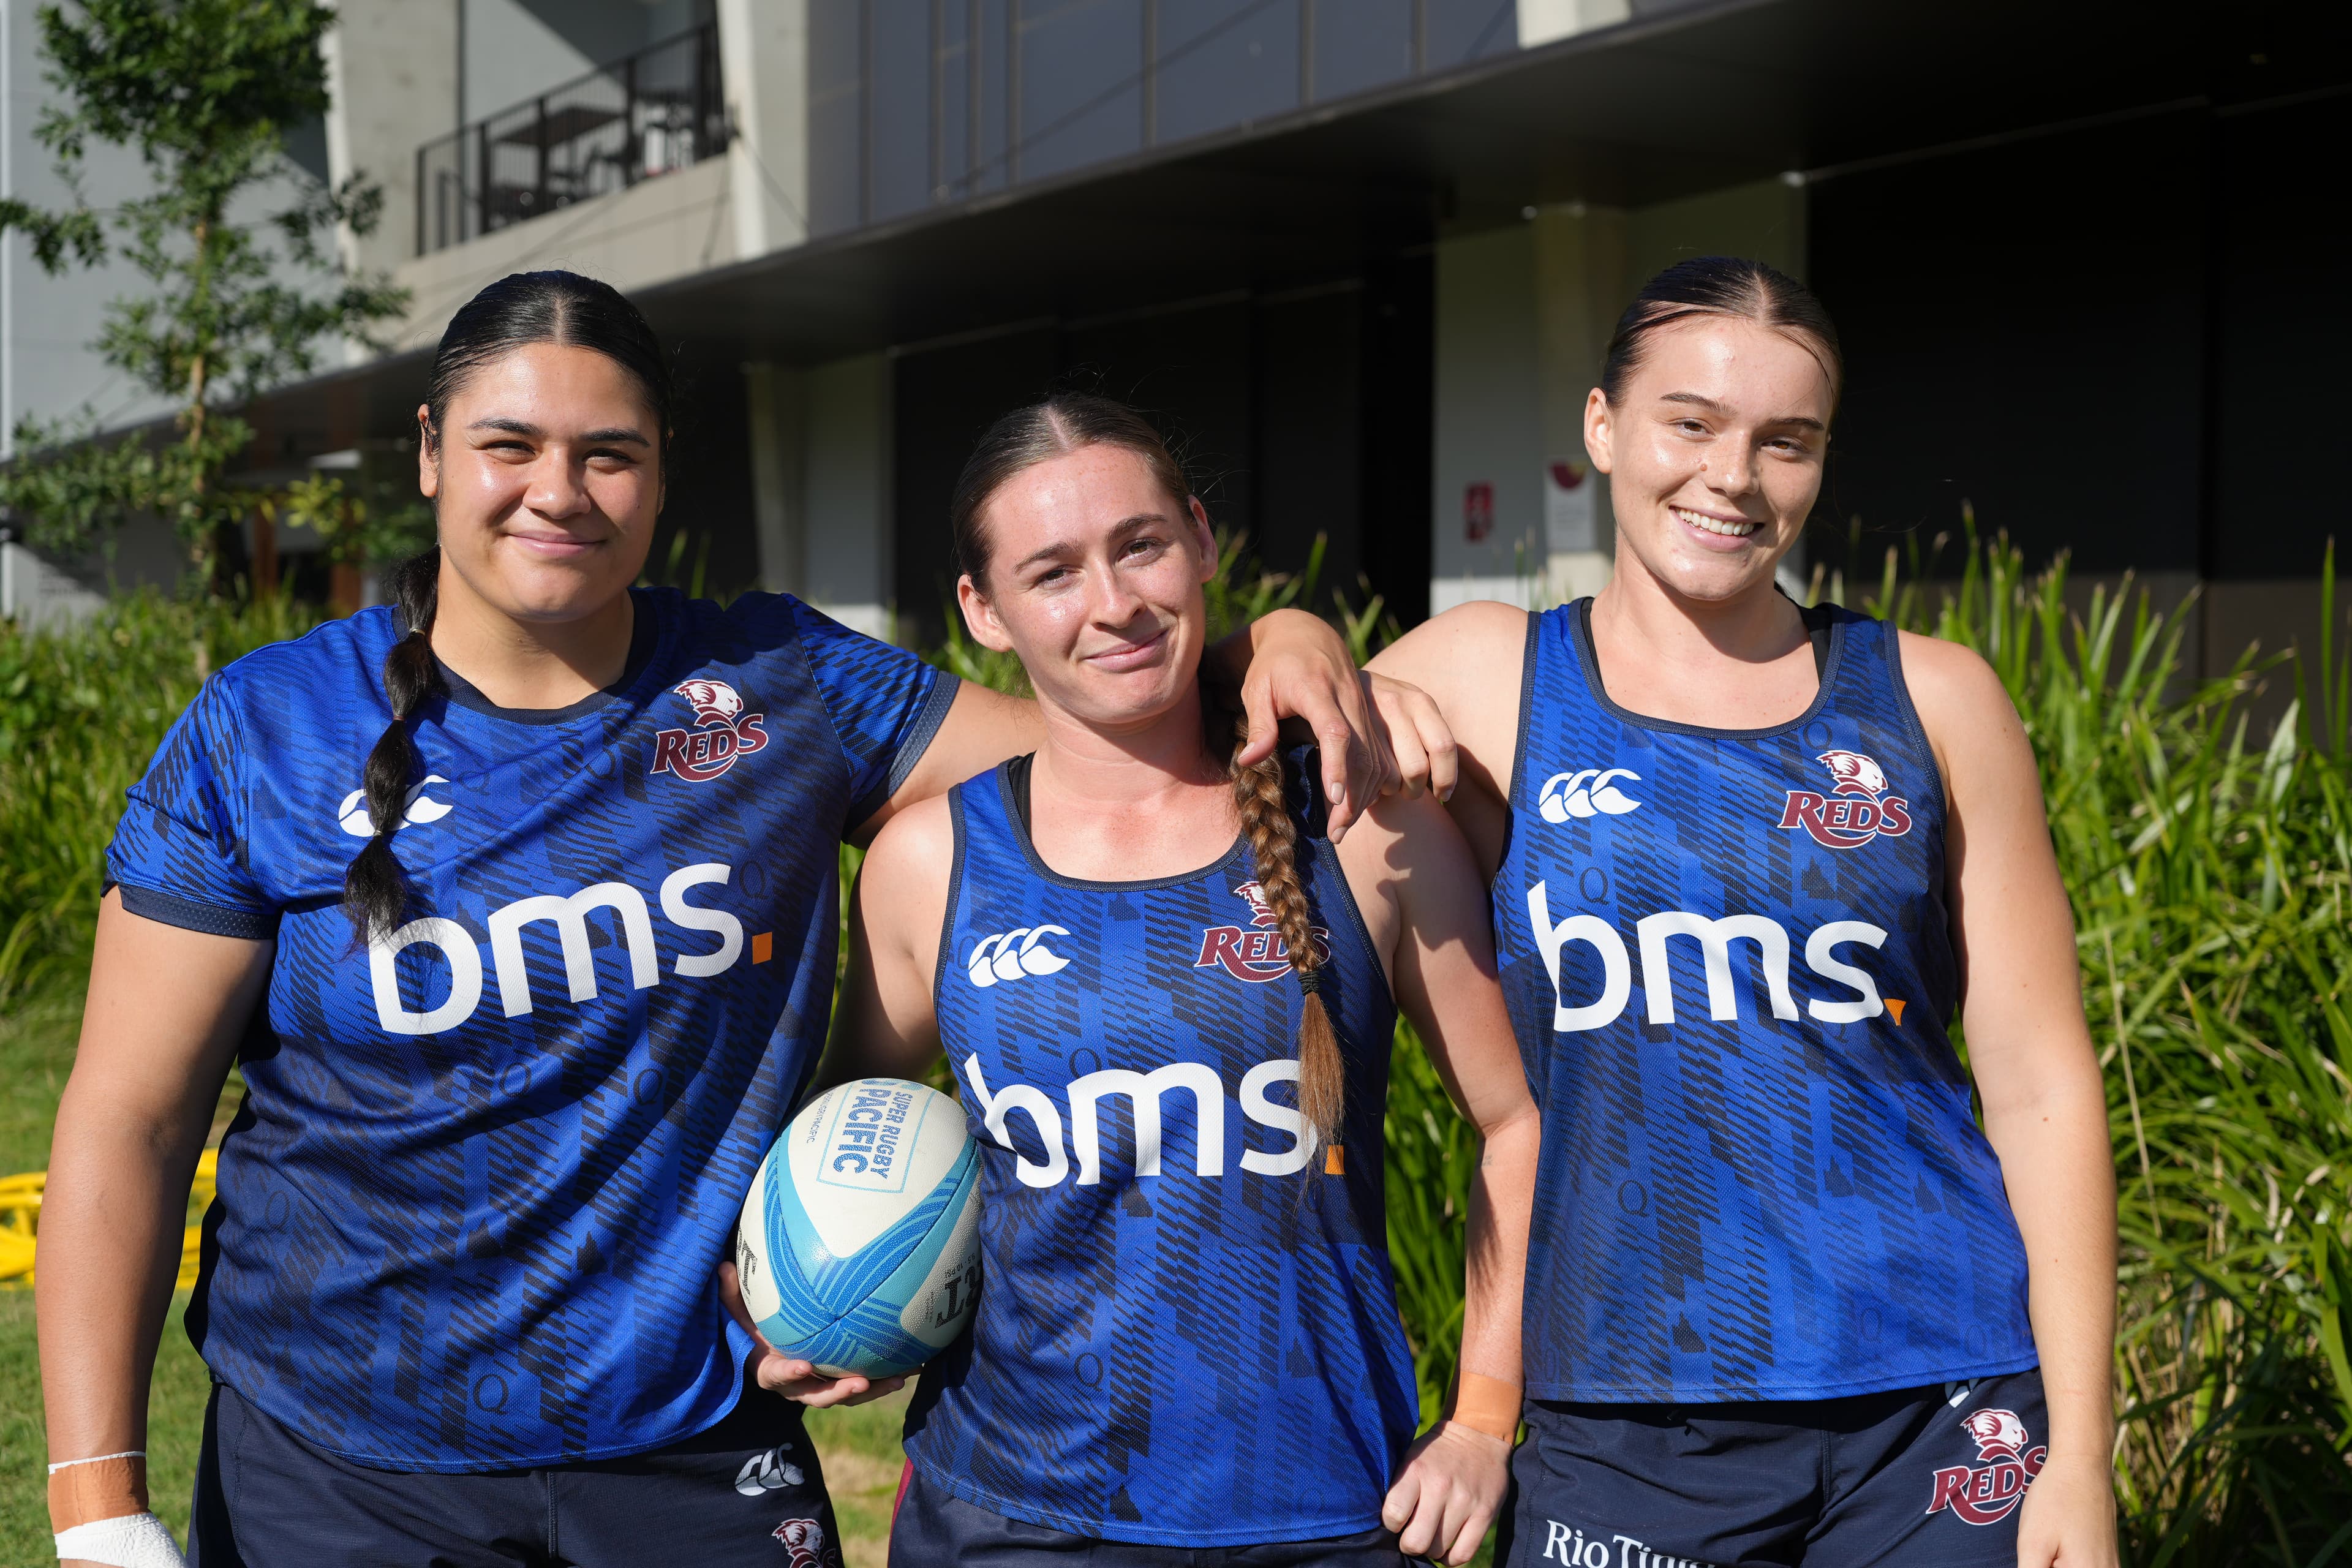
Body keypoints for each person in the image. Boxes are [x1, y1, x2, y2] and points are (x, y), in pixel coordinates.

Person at [36, 271, 1450, 1568]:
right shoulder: (264, 731)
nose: (558, 491)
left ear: (661, 476)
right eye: (510, 445)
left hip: (694, 1443)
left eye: (610, 453)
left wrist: (1274, 646)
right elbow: (131, 1119)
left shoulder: (784, 687)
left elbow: (1113, 739)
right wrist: (98, 1501)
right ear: (430, 452)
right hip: (345, 1461)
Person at [1366, 258, 2119, 1568]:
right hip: (1625, 1406)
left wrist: (2085, 1459)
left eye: (1787, 441)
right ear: (1604, 426)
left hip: (1941, 1403)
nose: (1734, 477)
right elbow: (1186, 759)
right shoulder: (1488, 676)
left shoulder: (1934, 698)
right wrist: (1294, 643)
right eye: (1692, 422)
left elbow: (2040, 1083)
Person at [810, 394, 1541, 1566]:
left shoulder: (1362, 824)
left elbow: (1515, 1121)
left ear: (1200, 539)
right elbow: (844, 1131)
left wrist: (1483, 1421)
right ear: (983, 610)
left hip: (1323, 1511)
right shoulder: (930, 864)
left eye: (1140, 545)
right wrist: (829, 1298)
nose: (1114, 603)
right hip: (1006, 1516)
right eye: (1052, 572)